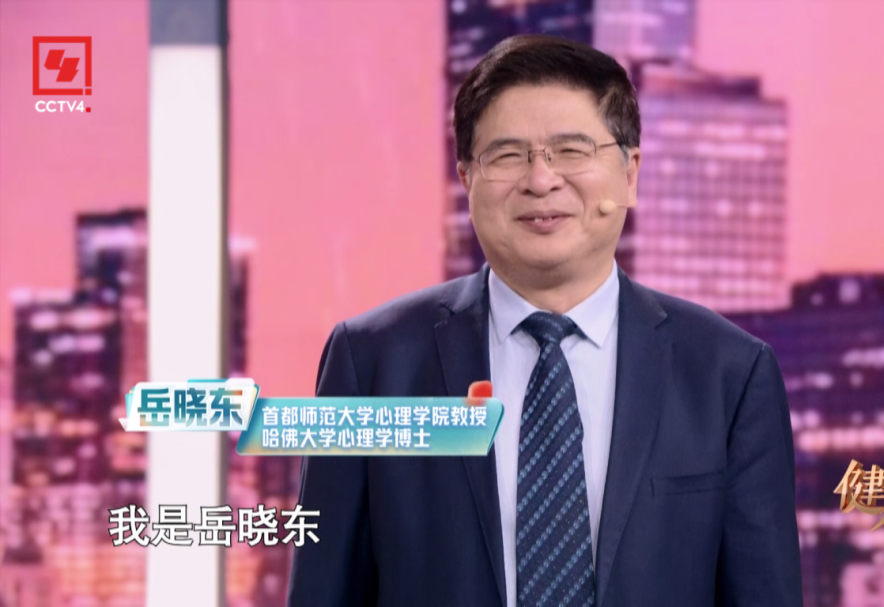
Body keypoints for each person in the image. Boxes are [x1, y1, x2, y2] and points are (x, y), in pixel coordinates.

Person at [288, 34, 802, 607]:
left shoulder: (730, 374)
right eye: (507, 156)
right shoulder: (371, 364)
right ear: (466, 179)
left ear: (630, 173)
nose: (540, 180)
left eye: (571, 151)